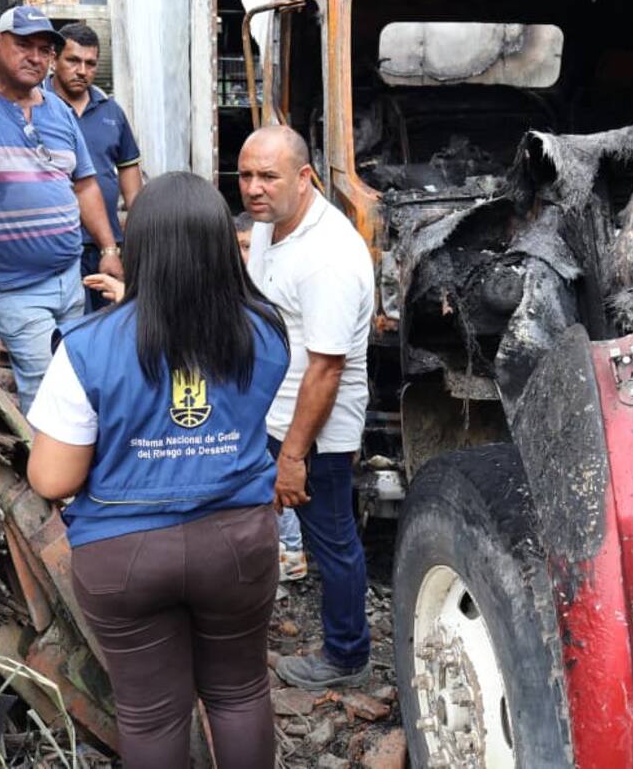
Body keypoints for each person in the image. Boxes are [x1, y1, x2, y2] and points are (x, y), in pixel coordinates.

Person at [27, 172, 289, 769]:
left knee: (152, 714)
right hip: (238, 544)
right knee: (241, 691)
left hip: (124, 555)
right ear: (225, 245)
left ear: (138, 248)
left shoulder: (87, 347)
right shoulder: (266, 332)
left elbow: (52, 480)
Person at [239, 125, 374, 691]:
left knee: (333, 540)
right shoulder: (275, 223)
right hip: (272, 412)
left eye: (267, 176)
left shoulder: (329, 258)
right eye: (245, 175)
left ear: (304, 177)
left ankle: (347, 656)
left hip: (312, 428)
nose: (253, 189)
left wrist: (293, 456)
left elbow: (326, 368)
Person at [0, 6, 123, 412]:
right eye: (24, 45)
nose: (36, 57)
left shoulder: (58, 110)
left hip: (69, 275)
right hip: (11, 285)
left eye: (45, 49)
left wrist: (109, 249)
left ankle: (67, 464)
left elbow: (84, 184)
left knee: (74, 372)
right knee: (46, 384)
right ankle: (47, 474)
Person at [48, 23, 142, 312]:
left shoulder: (110, 112)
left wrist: (136, 238)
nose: (82, 71)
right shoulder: (38, 106)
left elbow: (129, 174)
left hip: (106, 247)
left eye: (90, 63)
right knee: (68, 329)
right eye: (73, 61)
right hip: (58, 245)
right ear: (54, 59)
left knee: (109, 326)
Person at [236, 210, 308, 586]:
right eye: (237, 249)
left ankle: (290, 552)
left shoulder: (271, 289)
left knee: (272, 474)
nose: (243, 256)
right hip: (261, 403)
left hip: (282, 402)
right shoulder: (245, 290)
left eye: (248, 246)